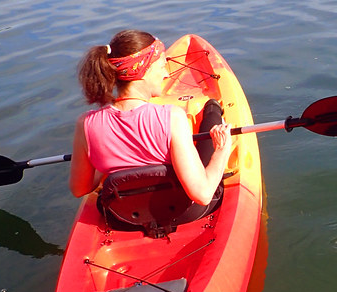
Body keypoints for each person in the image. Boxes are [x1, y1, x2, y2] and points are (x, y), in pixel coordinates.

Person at [70, 30, 232, 207]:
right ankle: (213, 109)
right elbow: (203, 195)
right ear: (144, 70)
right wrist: (222, 150)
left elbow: (80, 189)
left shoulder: (85, 124)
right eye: (162, 67)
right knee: (211, 115)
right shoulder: (173, 117)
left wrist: (102, 163)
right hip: (183, 212)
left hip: (122, 219)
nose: (166, 75)